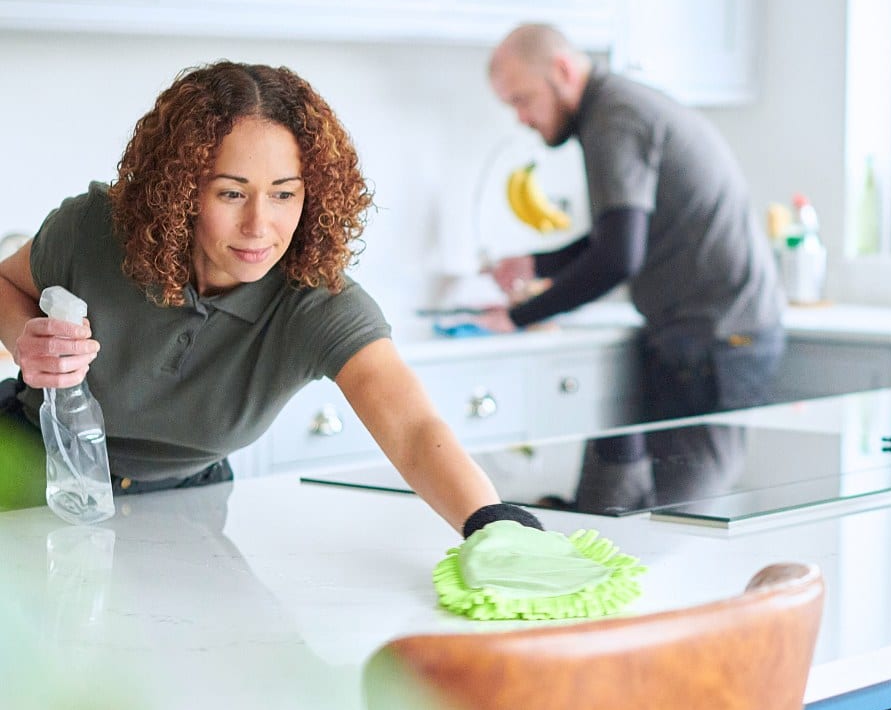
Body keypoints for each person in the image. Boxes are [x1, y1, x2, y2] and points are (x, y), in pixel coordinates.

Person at [0, 60, 539, 544]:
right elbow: (5, 284)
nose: (260, 226)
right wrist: (23, 340)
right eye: (231, 193)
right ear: (181, 188)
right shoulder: (95, 229)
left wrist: (491, 523)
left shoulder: (317, 304)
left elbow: (416, 429)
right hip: (23, 465)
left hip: (185, 506)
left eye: (284, 194)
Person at [479, 23, 786, 419]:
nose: (522, 118)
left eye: (523, 99)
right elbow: (618, 235)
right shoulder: (618, 105)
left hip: (716, 340)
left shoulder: (614, 120)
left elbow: (617, 258)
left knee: (686, 478)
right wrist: (537, 265)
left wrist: (517, 316)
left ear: (563, 71)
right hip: (725, 334)